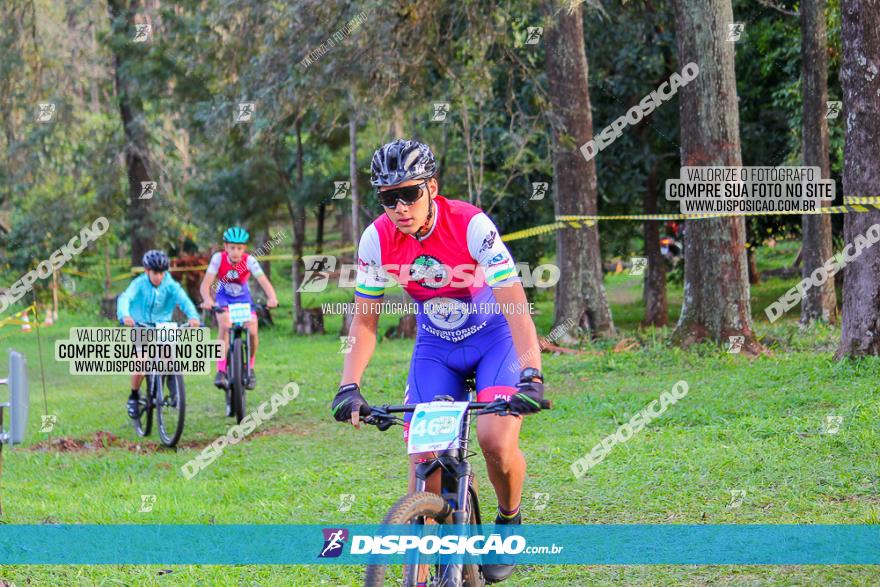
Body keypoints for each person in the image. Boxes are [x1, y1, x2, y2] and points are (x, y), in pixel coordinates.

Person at [331, 139, 545, 583]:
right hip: (437, 348)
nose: (399, 207)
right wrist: (348, 385)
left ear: (432, 187)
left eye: (409, 194)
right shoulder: (376, 240)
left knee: (495, 442)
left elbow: (515, 305)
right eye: (388, 198)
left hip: (494, 341)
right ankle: (421, 576)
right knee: (424, 462)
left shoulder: (471, 225)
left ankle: (509, 519)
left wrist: (532, 373)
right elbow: (365, 323)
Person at [117, 250, 201, 418]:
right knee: (140, 360)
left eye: (162, 273)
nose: (159, 277)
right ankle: (134, 395)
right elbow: (125, 298)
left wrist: (193, 317)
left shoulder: (170, 285)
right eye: (155, 273)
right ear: (147, 271)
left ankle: (173, 382)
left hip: (163, 325)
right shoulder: (139, 283)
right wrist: (125, 315)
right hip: (141, 325)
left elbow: (184, 301)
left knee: (169, 355)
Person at [199, 226, 278, 391]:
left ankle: (249, 367)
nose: (236, 251)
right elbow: (205, 285)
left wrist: (272, 298)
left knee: (253, 330)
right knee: (226, 325)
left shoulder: (250, 260)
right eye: (232, 247)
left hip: (243, 299)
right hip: (223, 298)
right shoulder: (218, 259)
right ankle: (221, 370)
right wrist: (207, 300)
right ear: (226, 247)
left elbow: (264, 282)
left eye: (240, 248)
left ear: (245, 249)